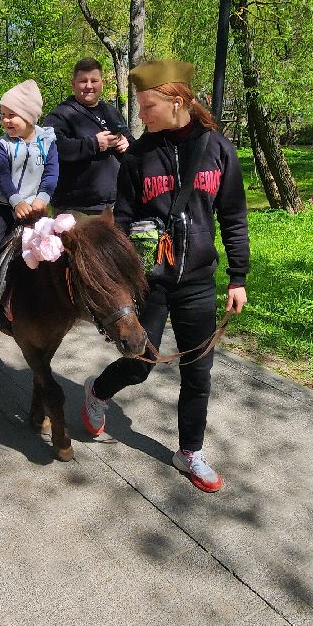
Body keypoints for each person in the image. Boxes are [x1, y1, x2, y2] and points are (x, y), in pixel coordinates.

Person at [80, 60, 249, 494]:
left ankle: (189, 451)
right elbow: (122, 222)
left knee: (198, 372)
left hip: (198, 282)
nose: (141, 116)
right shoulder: (137, 157)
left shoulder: (218, 149)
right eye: (139, 107)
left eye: (148, 106)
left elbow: (233, 217)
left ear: (177, 101)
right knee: (140, 363)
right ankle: (98, 391)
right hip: (149, 282)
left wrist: (238, 277)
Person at [0, 80, 58, 324]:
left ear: (30, 116)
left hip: (36, 206)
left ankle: (50, 296)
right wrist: (16, 201)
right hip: (4, 204)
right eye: (3, 115)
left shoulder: (48, 142)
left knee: (51, 246)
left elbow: (51, 173)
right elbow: (2, 176)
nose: (5, 120)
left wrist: (42, 198)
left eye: (12, 115)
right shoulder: (3, 145)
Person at [43, 58, 132, 215]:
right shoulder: (61, 115)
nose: (89, 86)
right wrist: (94, 144)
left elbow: (131, 141)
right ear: (73, 83)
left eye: (94, 81)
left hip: (114, 206)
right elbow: (53, 148)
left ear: (102, 83)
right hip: (75, 209)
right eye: (83, 81)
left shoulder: (111, 112)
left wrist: (127, 145)